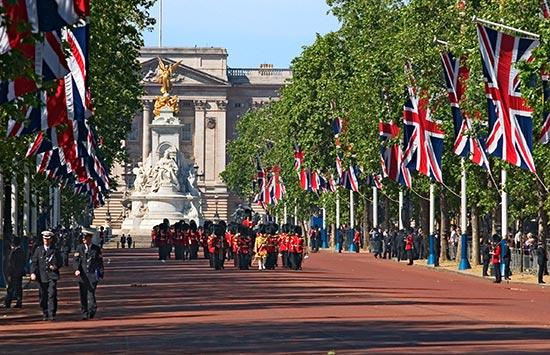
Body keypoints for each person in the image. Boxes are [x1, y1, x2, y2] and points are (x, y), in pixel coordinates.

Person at [73, 229, 104, 320]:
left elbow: (99, 262)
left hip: (92, 275)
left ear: (90, 238)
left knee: (91, 293)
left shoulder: (96, 249)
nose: (84, 240)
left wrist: (101, 272)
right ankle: (84, 312)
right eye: (83, 238)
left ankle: (92, 309)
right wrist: (76, 269)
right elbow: (76, 260)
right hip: (82, 275)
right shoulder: (79, 248)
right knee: (83, 294)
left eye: (86, 238)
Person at [31, 231, 62, 321]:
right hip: (41, 276)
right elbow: (34, 262)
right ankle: (45, 311)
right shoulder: (38, 250)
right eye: (45, 239)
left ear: (51, 239)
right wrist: (32, 273)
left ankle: (51, 312)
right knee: (43, 295)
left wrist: (55, 266)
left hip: (52, 275)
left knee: (51, 293)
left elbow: (60, 262)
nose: (46, 241)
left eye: (48, 239)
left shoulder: (55, 250)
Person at [3, 238, 26, 308]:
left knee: (10, 288)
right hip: (19, 273)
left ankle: (8, 302)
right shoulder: (22, 251)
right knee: (18, 288)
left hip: (13, 273)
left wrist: (9, 273)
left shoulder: (14, 252)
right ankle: (19, 302)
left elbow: (11, 264)